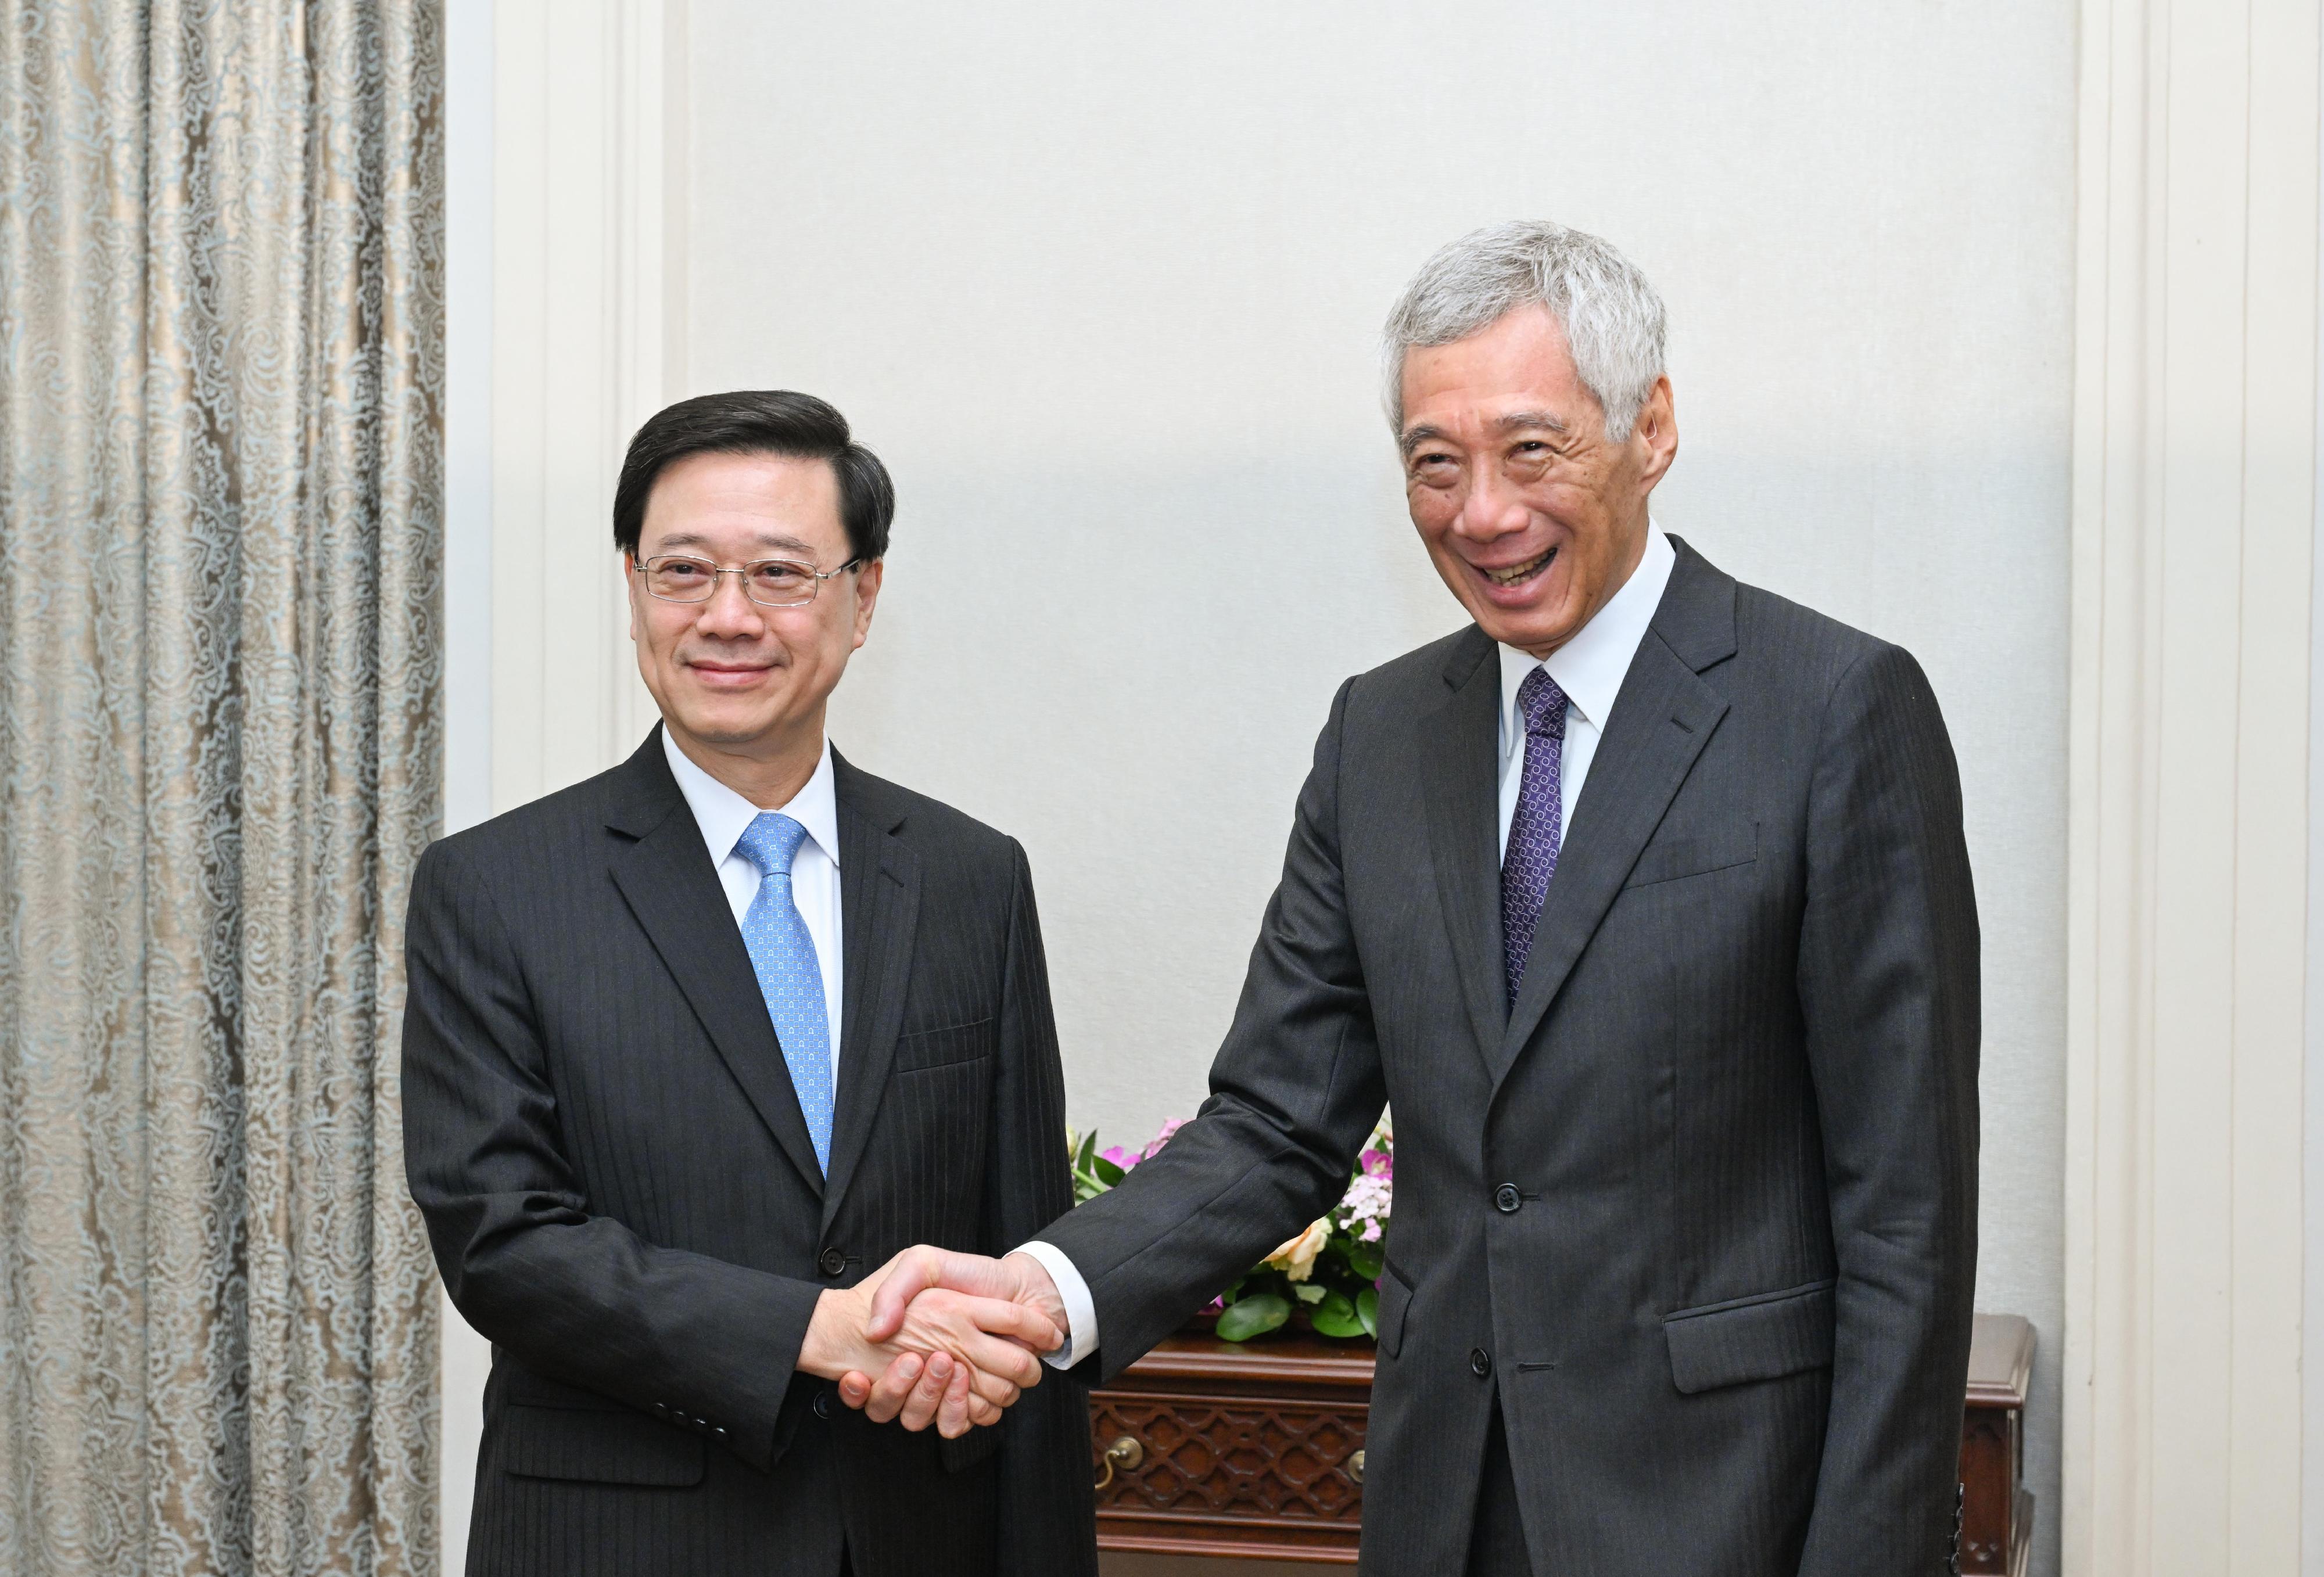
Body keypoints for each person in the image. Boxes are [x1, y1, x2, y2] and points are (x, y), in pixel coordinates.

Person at [853, 222, 1982, 1576]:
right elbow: (1275, 1116)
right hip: (1442, 1504)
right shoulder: (1379, 735)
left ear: (1652, 427)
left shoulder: (1832, 709)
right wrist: (1040, 1289)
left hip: (1726, 1508)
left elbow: (1901, 1210)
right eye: (1431, 465)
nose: (1480, 512)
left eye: (1529, 449)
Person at [401, 391, 1097, 1577]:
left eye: (780, 572)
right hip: (617, 1537)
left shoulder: (970, 877)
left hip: (918, 1532)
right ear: (632, 587)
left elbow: (1016, 1245)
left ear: (862, 597)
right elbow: (503, 1242)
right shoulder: (497, 887)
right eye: (684, 570)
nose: (728, 616)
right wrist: (817, 1331)